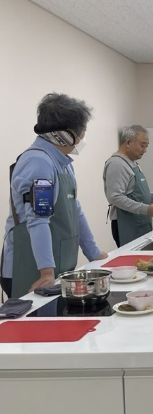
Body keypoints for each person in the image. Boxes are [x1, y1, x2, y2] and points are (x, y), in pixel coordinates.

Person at [1, 93, 108, 298]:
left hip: (58, 266)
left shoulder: (63, 163)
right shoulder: (38, 162)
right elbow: (38, 219)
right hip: (30, 268)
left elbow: (75, 210)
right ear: (66, 135)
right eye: (81, 132)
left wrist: (94, 253)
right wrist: (46, 271)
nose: (82, 138)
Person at [103, 125, 153, 247]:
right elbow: (116, 197)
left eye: (146, 146)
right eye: (142, 145)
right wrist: (146, 209)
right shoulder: (117, 164)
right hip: (126, 226)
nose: (145, 150)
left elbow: (138, 194)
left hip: (139, 223)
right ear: (128, 142)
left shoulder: (132, 163)